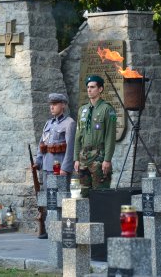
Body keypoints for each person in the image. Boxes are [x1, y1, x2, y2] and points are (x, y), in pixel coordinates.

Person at [34, 93, 76, 239]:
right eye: (51, 104)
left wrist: (66, 168)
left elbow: (70, 148)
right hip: (47, 168)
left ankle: (65, 229)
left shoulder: (69, 123)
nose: (52, 106)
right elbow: (42, 145)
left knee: (62, 200)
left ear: (63, 105)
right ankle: (50, 229)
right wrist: (38, 161)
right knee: (49, 200)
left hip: (60, 169)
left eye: (55, 103)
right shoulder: (49, 124)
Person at [73, 75, 117, 197]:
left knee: (100, 194)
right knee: (82, 193)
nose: (89, 90)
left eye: (92, 87)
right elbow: (78, 135)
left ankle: (101, 217)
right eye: (88, 87)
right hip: (84, 157)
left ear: (100, 89)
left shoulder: (107, 109)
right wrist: (76, 158)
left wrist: (107, 159)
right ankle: (85, 217)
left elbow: (110, 136)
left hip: (99, 156)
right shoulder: (83, 110)